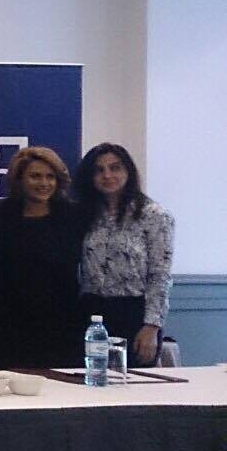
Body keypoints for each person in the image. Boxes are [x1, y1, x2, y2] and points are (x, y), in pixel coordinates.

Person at [0, 146, 82, 369]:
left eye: (50, 176)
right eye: (35, 176)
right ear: (19, 179)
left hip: (60, 323)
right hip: (6, 322)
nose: (44, 183)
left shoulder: (73, 215)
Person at [74, 143, 174, 367]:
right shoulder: (85, 214)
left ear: (128, 171)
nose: (107, 175)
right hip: (91, 312)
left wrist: (151, 326)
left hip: (134, 312)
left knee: (135, 381)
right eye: (99, 170)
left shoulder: (154, 215)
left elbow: (160, 274)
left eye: (115, 168)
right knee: (90, 380)